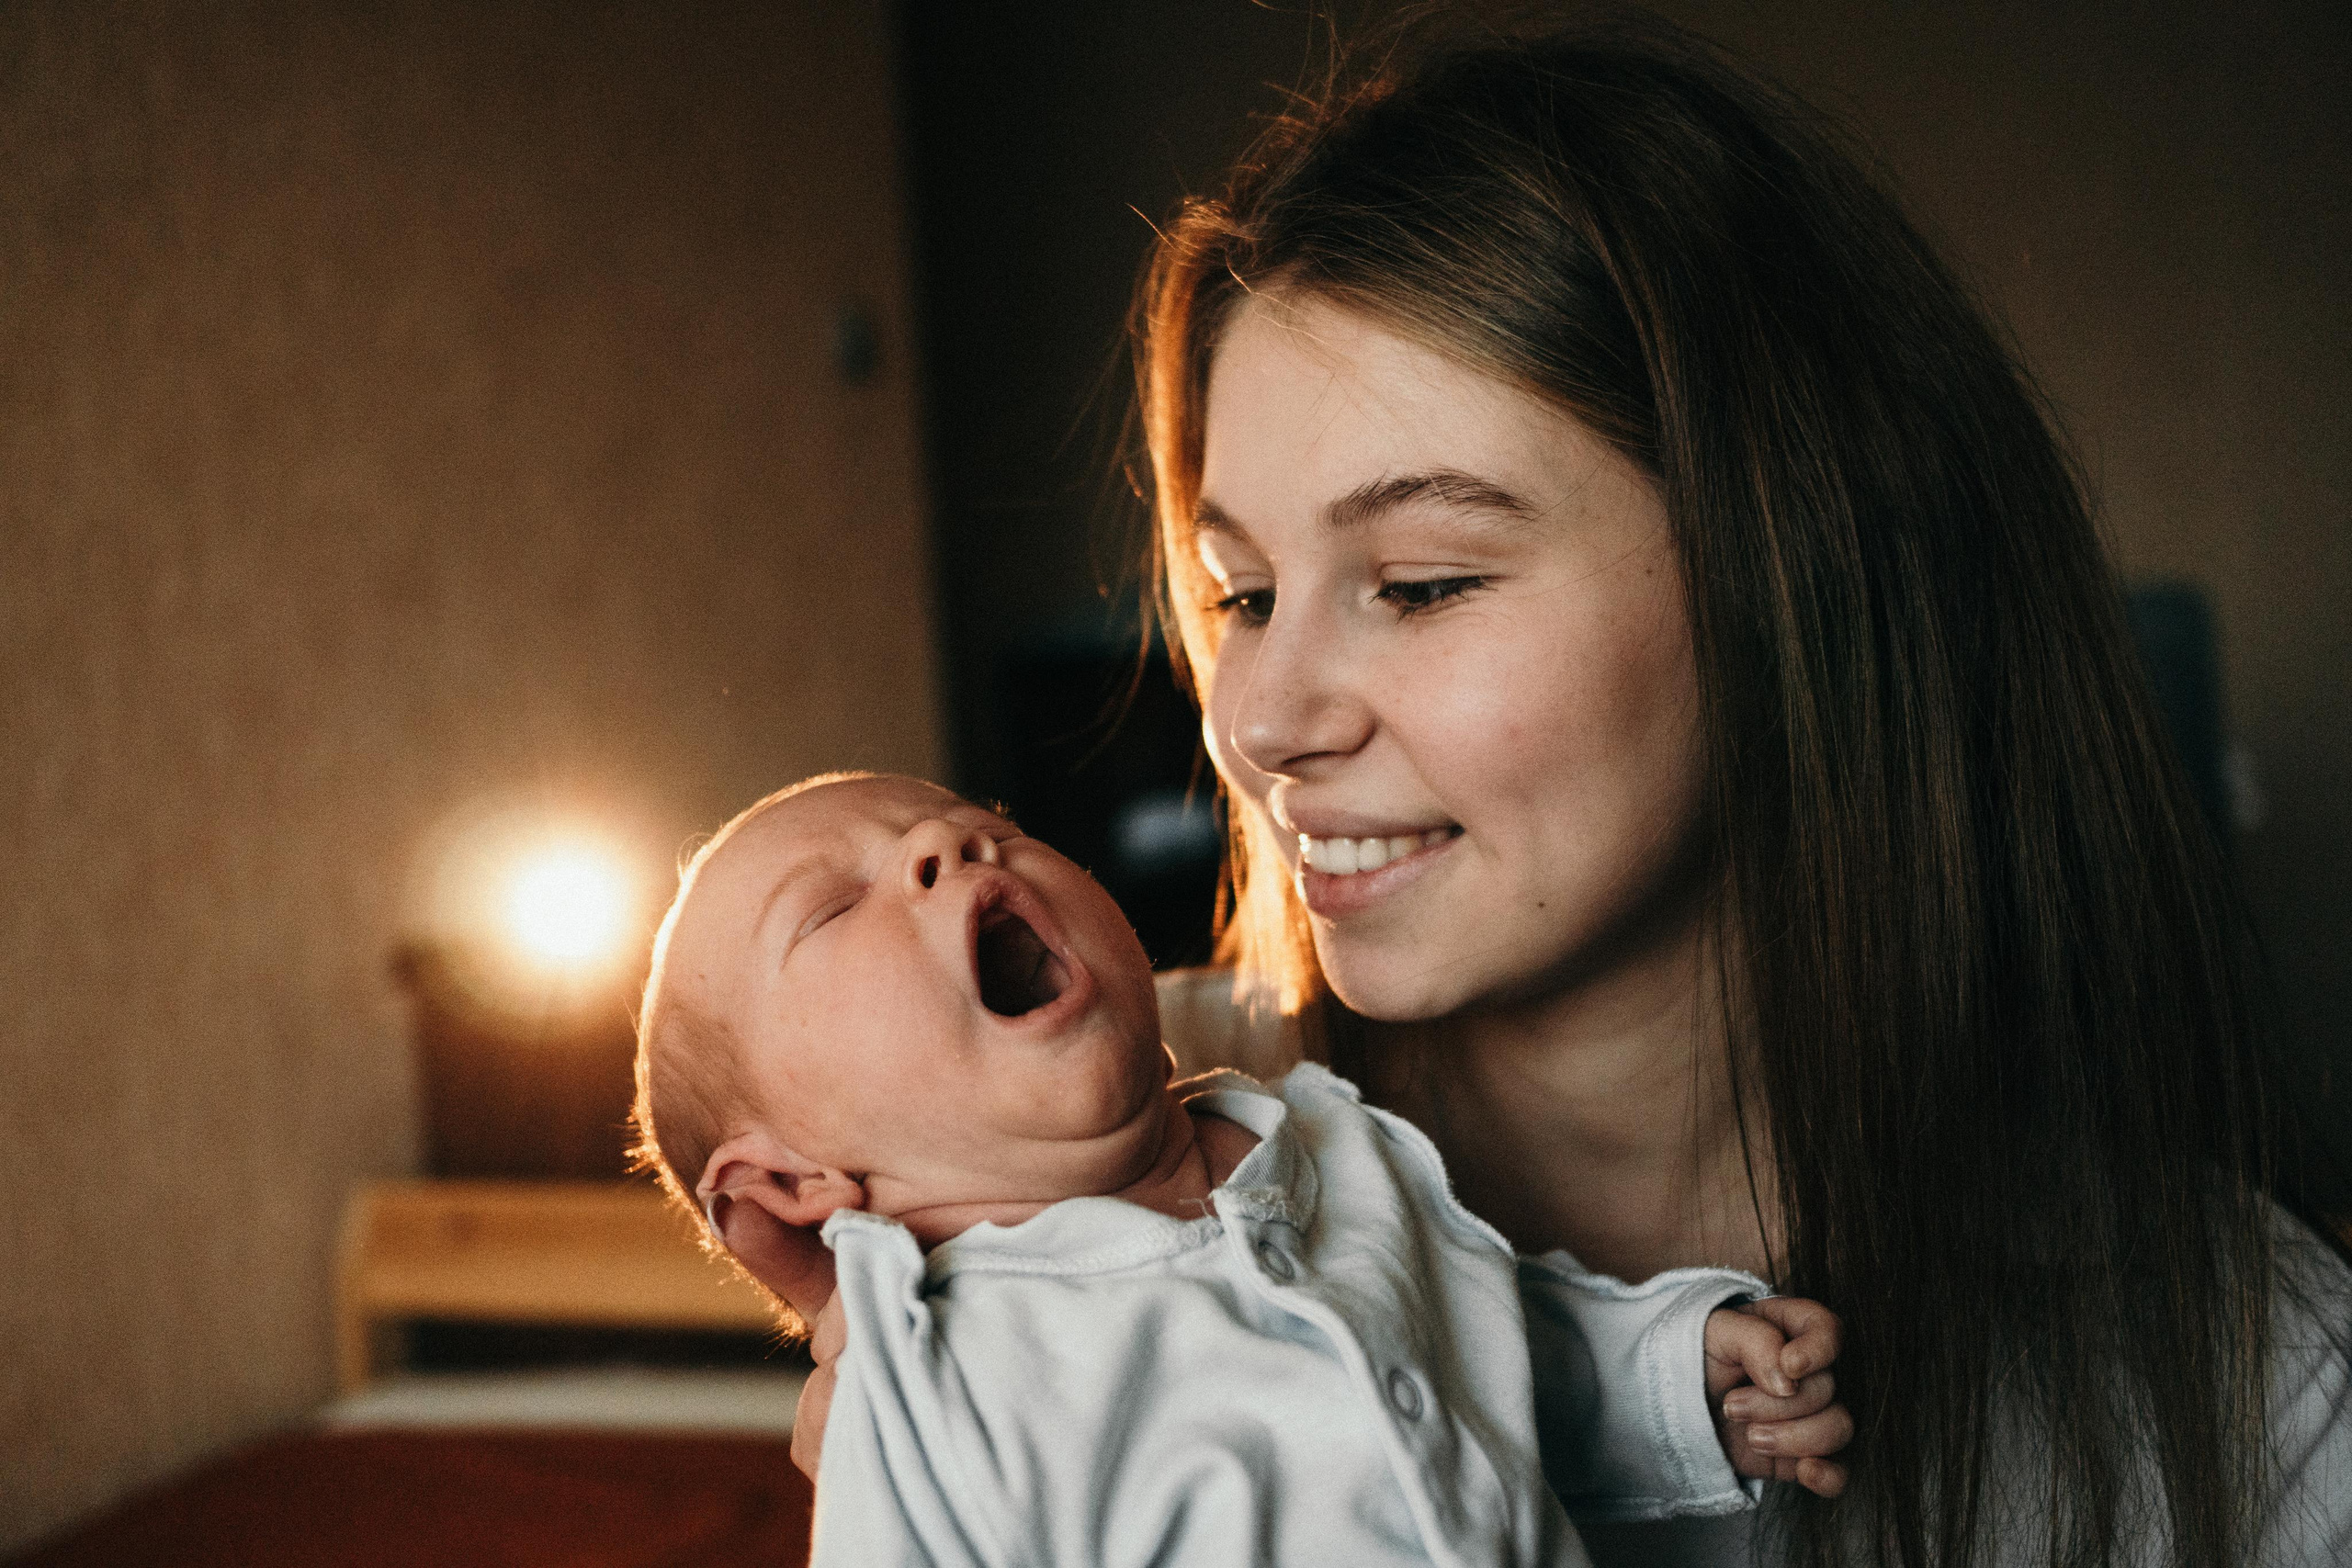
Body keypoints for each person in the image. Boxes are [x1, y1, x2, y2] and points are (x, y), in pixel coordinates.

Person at [1123, 12, 2351, 1568]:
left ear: (1797, 579)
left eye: (1424, 585)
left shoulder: (2255, 1391)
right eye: (1239, 594)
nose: (1260, 719)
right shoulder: (1081, 1187)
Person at [630, 772, 1852, 1566]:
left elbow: (1486, 1353)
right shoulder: (937, 1386)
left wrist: (1669, 1380)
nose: (944, 844)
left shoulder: (1324, 1142)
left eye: (990, 826)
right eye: (835, 911)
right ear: (792, 1190)